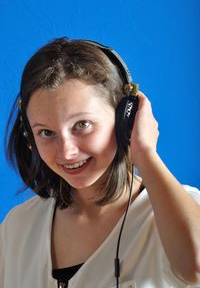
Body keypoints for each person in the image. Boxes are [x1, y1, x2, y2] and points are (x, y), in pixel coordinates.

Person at [0, 37, 200, 288]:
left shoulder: (181, 211)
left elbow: (195, 267)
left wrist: (146, 154)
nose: (67, 152)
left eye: (82, 125)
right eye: (46, 133)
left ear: (124, 119)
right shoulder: (17, 227)